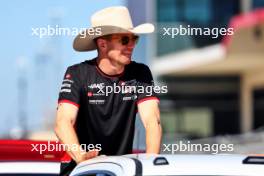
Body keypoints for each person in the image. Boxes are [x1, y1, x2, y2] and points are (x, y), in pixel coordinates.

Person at [55, 6, 162, 175]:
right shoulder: (77, 73)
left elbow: (152, 121)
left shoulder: (141, 73)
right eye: (125, 40)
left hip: (120, 170)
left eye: (134, 39)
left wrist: (151, 166)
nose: (132, 45)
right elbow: (62, 123)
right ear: (103, 44)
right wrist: (82, 157)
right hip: (79, 170)